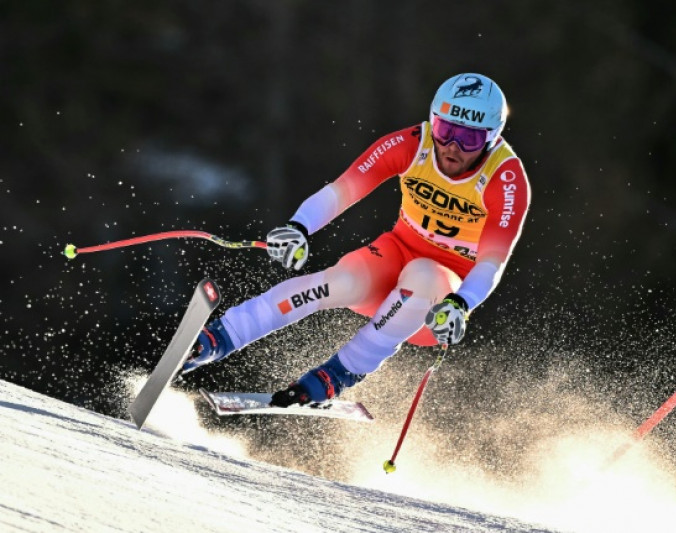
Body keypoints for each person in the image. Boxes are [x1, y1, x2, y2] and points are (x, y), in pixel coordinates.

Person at [182, 73, 531, 407]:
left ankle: (337, 374)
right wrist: (299, 227)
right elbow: (344, 189)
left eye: (468, 139)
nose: (452, 147)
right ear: (432, 121)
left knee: (424, 275)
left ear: (492, 138)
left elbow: (492, 261)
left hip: (437, 300)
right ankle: (218, 338)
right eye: (445, 130)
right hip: (395, 255)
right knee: (341, 281)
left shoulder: (506, 177)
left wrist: (461, 304)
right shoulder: (413, 144)